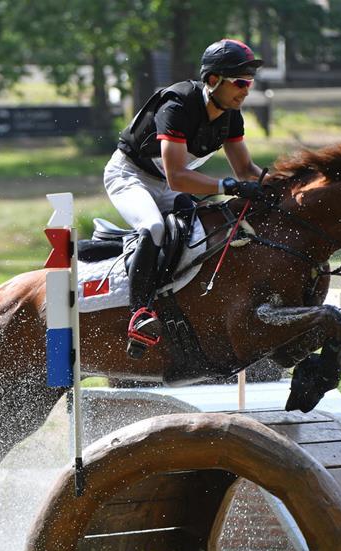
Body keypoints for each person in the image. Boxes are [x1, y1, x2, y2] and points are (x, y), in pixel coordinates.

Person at [107, 38, 268, 357]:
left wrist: (289, 187)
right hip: (130, 176)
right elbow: (178, 177)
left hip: (169, 182)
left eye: (249, 82)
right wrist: (228, 187)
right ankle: (139, 314)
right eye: (239, 81)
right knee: (154, 228)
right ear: (213, 80)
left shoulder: (231, 115)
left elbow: (246, 169)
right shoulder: (178, 105)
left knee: (203, 231)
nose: (246, 89)